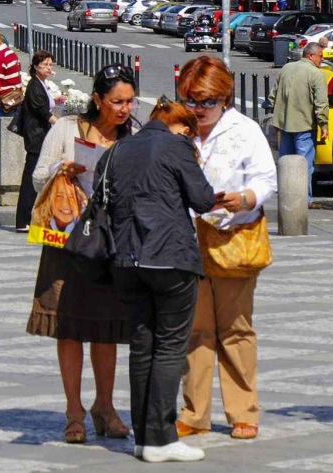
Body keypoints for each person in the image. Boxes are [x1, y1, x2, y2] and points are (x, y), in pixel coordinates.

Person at [27, 64, 140, 444]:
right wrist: (64, 168)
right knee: (70, 328)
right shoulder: (66, 128)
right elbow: (38, 176)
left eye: (129, 101)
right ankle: (74, 411)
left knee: (107, 329)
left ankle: (105, 407)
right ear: (97, 100)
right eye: (116, 102)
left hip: (110, 243)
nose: (124, 109)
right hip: (68, 239)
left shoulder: (133, 137)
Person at [177, 55, 277, 441]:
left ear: (225, 98)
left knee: (235, 328)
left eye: (208, 102)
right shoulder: (178, 129)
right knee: (196, 330)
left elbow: (266, 178)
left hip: (235, 235)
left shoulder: (246, 130)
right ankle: (194, 412)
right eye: (192, 100)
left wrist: (247, 197)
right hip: (187, 237)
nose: (199, 109)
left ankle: (243, 412)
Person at [111, 98, 217, 463]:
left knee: (142, 346)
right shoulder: (176, 146)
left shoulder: (121, 146)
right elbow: (202, 199)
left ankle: (143, 439)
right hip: (170, 257)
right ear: (184, 128)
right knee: (170, 347)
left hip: (125, 258)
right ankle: (162, 439)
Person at [270, 41, 330, 207]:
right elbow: (321, 103)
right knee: (304, 166)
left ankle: (284, 198)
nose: (322, 60)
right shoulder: (316, 74)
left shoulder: (286, 68)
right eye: (320, 56)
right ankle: (305, 201)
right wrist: (323, 124)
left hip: (284, 125)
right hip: (304, 125)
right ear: (311, 55)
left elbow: (272, 96)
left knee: (285, 164)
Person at [13, 51, 58, 233]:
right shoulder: (34, 86)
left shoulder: (41, 84)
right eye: (46, 64)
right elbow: (43, 112)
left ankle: (30, 219)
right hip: (36, 137)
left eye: (51, 65)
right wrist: (62, 126)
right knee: (30, 179)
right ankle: (23, 220)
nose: (49, 68)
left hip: (40, 136)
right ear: (36, 66)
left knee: (38, 178)